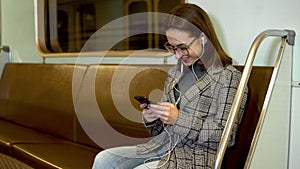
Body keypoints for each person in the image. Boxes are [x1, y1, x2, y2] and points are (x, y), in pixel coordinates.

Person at [92, 3, 248, 169]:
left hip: (195, 157)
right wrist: (153, 118)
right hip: (163, 146)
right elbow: (159, 131)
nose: (178, 55)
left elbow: (226, 138)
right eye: (172, 48)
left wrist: (178, 118)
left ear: (203, 37)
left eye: (183, 47)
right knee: (104, 159)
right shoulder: (176, 73)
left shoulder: (228, 77)